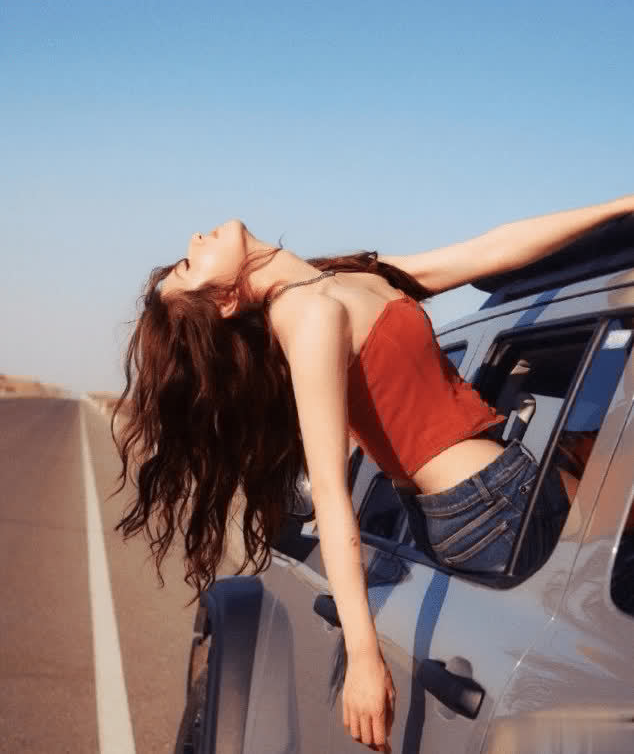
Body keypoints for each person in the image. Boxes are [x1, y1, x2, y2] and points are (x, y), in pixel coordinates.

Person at [112, 194, 633, 753]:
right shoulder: (306, 315)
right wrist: (364, 657)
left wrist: (620, 207)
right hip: (491, 510)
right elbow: (330, 494)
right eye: (188, 265)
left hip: (500, 495)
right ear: (225, 302)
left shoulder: (338, 278)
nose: (194, 239)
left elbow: (486, 251)